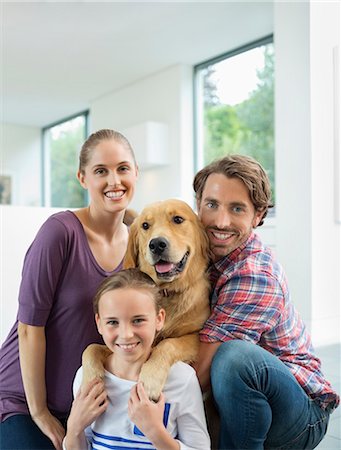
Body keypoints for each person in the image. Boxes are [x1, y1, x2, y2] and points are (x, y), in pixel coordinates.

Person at [0, 129, 138, 450]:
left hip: (85, 407)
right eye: (101, 171)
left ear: (135, 173)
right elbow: (28, 329)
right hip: (21, 400)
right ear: (82, 178)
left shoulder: (137, 243)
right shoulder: (60, 232)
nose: (114, 180)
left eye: (122, 168)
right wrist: (40, 412)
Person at [192, 154, 340, 450]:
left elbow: (202, 372)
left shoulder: (254, 275)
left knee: (234, 358)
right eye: (212, 205)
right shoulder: (201, 253)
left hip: (300, 413)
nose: (221, 221)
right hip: (243, 399)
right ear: (198, 205)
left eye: (237, 209)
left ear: (258, 215)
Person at [64, 268, 210, 450]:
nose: (126, 334)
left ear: (159, 319)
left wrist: (155, 431)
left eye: (138, 320)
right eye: (112, 322)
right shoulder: (86, 377)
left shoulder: (182, 378)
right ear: (99, 323)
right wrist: (74, 428)